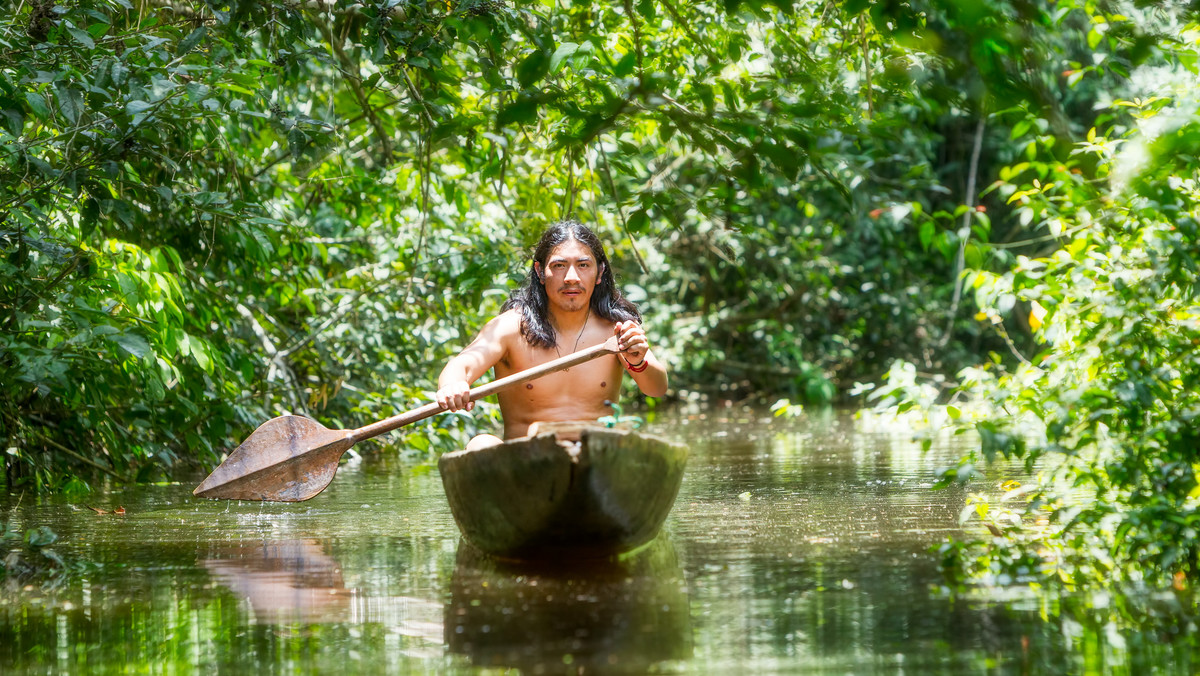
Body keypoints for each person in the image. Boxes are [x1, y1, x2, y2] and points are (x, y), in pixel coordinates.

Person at [436, 219, 668, 449]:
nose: (571, 277)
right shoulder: (511, 328)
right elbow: (463, 364)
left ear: (600, 273)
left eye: (583, 265)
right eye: (559, 266)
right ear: (540, 271)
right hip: (528, 462)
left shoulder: (616, 329)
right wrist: (453, 385)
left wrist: (638, 360)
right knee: (481, 443)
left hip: (595, 460)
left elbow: (656, 388)